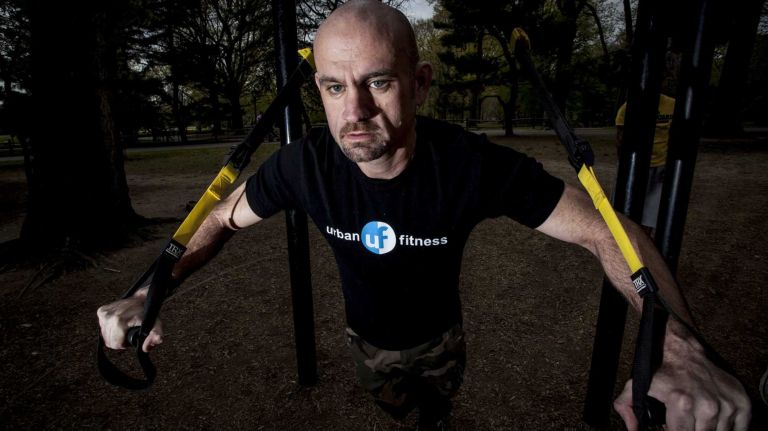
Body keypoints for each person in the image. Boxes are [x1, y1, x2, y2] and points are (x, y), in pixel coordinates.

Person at [97, 1, 751, 430]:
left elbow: (608, 229)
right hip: (367, 339)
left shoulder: (470, 165)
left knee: (439, 404)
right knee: (391, 403)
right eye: (333, 86)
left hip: (443, 336)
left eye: (378, 82)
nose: (354, 110)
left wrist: (678, 344)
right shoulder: (302, 166)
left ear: (421, 82)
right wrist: (147, 290)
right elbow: (216, 220)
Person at [615, 88, 675, 237]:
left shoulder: (672, 105)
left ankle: (641, 250)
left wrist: (671, 167)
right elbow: (620, 140)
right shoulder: (628, 108)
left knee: (650, 217)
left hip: (660, 167)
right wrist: (624, 168)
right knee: (623, 213)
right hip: (634, 167)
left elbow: (679, 137)